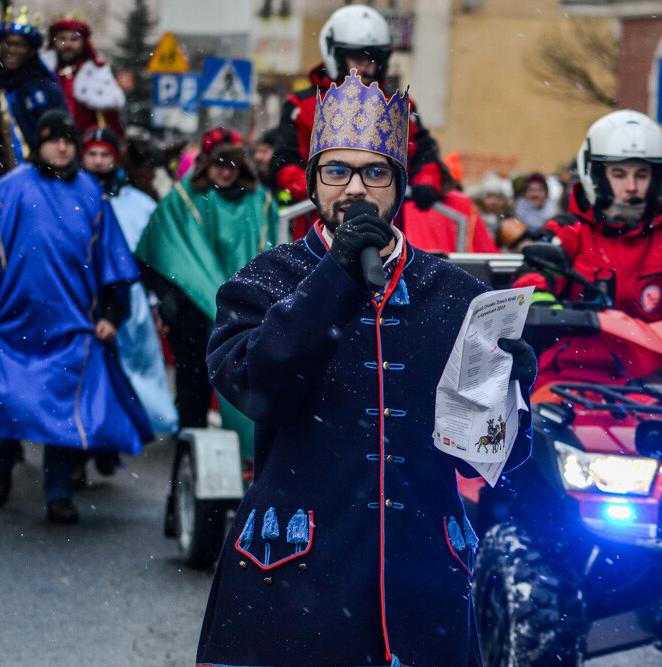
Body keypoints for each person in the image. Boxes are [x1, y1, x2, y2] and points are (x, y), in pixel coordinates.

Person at [196, 71, 534, 667]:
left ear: (398, 185)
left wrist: (509, 395)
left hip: (422, 587)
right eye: (337, 171)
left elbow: (482, 457)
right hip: (295, 583)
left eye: (375, 172)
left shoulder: (455, 294)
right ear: (314, 182)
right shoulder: (263, 282)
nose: (355, 188)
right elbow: (259, 392)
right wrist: (338, 280)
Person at [0, 110, 150, 524]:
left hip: (72, 326)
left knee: (61, 415)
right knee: (12, 405)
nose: (62, 147)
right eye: (54, 140)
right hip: (13, 326)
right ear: (39, 144)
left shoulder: (91, 194)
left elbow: (112, 258)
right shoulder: (7, 191)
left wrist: (112, 312)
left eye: (69, 141)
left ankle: (58, 493)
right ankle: (0, 469)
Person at [135, 127, 276, 457]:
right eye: (218, 164)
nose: (226, 172)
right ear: (205, 166)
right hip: (194, 313)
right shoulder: (183, 200)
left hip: (246, 311)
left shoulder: (259, 202)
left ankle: (247, 456)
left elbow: (271, 251)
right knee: (194, 384)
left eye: (232, 165)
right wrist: (169, 300)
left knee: (245, 379)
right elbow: (155, 251)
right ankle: (190, 453)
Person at [514, 109, 662, 322]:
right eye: (619, 175)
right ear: (596, 177)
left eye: (641, 175)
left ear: (657, 180)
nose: (631, 187)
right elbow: (534, 277)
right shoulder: (569, 231)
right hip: (578, 351)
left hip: (652, 353)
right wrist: (541, 301)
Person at [271, 4, 447, 240]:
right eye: (357, 56)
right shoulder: (303, 106)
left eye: (373, 57)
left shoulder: (398, 106)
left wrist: (426, 182)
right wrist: (322, 188)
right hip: (316, 224)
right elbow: (284, 161)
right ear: (335, 55)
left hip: (383, 224)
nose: (365, 64)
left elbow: (423, 153)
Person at [81, 125, 178, 437]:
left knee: (134, 367)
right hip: (83, 297)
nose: (97, 161)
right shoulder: (70, 199)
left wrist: (155, 302)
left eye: (104, 154)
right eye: (91, 154)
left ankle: (129, 427)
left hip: (131, 300)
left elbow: (153, 258)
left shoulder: (140, 203)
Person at [0, 5, 68, 162]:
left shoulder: (44, 87)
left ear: (31, 51)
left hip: (35, 168)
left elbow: (59, 132)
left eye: (19, 45)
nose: (11, 50)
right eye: (7, 44)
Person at [41, 12, 125, 135]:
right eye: (62, 39)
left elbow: (111, 119)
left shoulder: (97, 73)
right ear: (54, 41)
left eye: (74, 39)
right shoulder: (43, 73)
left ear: (83, 42)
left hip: (86, 146)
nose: (68, 44)